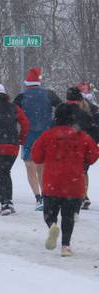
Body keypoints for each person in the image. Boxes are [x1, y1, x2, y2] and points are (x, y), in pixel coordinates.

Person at [32, 103, 99, 257]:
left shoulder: (48, 135)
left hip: (52, 183)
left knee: (49, 213)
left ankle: (52, 225)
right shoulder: (82, 136)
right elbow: (93, 155)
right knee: (68, 217)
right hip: (74, 184)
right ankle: (65, 246)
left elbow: (36, 156)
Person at [14, 67, 62, 211]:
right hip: (46, 136)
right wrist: (53, 123)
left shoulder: (21, 97)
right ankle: (46, 195)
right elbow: (61, 109)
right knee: (43, 167)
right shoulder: (49, 94)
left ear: (27, 83)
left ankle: (38, 198)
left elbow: (13, 115)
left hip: (28, 136)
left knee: (30, 166)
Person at [0, 84, 29, 216]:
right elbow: (25, 123)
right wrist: (21, 139)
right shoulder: (15, 107)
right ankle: (8, 201)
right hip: (11, 146)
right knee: (6, 172)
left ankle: (5, 203)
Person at [64, 87, 99, 212]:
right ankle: (83, 195)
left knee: (77, 172)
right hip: (88, 145)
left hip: (78, 145)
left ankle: (81, 196)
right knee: (83, 171)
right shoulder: (93, 111)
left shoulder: (75, 111)